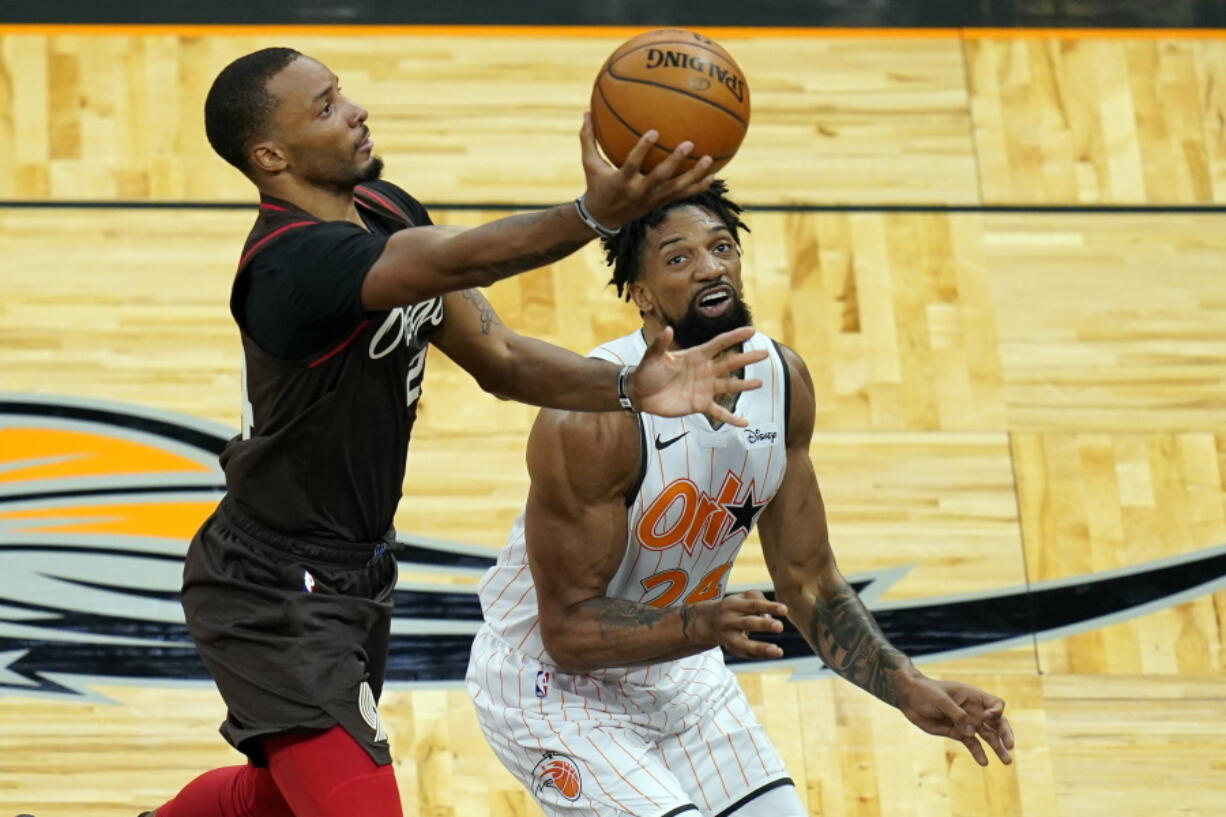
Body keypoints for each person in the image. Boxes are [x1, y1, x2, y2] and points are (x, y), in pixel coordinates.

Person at [145, 47, 771, 817]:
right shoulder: (289, 267)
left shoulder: (383, 206)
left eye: (341, 93)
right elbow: (456, 255)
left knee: (275, 800)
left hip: (358, 571)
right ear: (271, 157)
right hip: (275, 588)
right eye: (325, 109)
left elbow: (501, 356)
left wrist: (630, 386)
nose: (355, 111)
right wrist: (590, 216)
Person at [466, 180, 1016, 817]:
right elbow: (566, 631)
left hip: (678, 671)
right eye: (678, 258)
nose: (709, 266)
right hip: (549, 688)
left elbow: (809, 581)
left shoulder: (781, 382)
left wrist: (906, 684)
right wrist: (702, 622)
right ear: (640, 295)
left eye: (721, 246)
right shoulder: (591, 422)